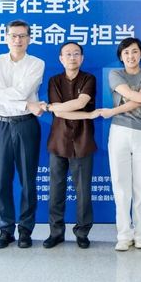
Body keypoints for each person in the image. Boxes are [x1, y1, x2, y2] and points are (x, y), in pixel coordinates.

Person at [97, 37, 141, 251]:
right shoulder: (115, 74)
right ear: (121, 56)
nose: (130, 56)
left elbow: (138, 99)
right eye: (126, 52)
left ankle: (140, 233)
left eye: (135, 51)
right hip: (120, 132)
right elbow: (128, 94)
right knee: (121, 185)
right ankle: (124, 235)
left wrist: (112, 111)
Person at [0, 20, 45, 249]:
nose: (17, 40)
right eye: (13, 35)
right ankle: (5, 229)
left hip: (26, 125)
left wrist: (15, 99)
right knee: (3, 179)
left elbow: (21, 91)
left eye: (22, 36)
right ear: (6, 38)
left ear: (29, 39)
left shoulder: (36, 63)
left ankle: (26, 230)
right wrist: (27, 104)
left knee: (28, 180)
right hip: (0, 125)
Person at [41, 42, 98, 250]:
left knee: (83, 190)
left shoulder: (89, 79)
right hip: (58, 140)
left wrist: (53, 108)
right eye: (68, 54)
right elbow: (59, 112)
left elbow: (80, 103)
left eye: (76, 54)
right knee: (56, 189)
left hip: (83, 140)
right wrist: (87, 115)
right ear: (61, 59)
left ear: (82, 58)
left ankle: (82, 232)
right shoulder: (54, 80)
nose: (72, 57)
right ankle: (56, 233)